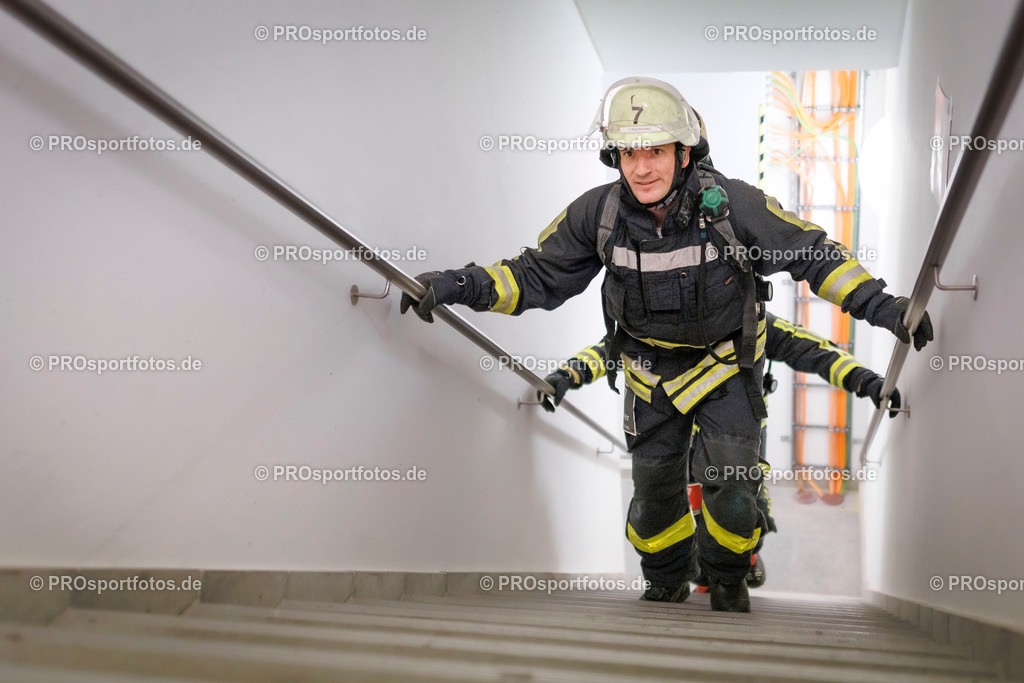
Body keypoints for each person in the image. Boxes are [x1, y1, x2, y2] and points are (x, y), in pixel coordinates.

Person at [401, 77, 932, 612]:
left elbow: (814, 254)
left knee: (731, 482)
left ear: (684, 152)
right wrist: (458, 285)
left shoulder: (734, 207)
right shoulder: (597, 215)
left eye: (655, 150)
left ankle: (728, 577)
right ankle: (666, 576)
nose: (641, 167)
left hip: (725, 369)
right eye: (629, 152)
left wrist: (884, 308)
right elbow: (535, 276)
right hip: (647, 374)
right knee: (655, 490)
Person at [538, 311, 902, 592]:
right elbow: (612, 350)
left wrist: (865, 381)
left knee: (744, 505)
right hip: (680, 443)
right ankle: (692, 574)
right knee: (679, 510)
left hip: (736, 440)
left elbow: (816, 351)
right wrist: (566, 375)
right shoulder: (657, 320)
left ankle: (742, 560)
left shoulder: (753, 321)